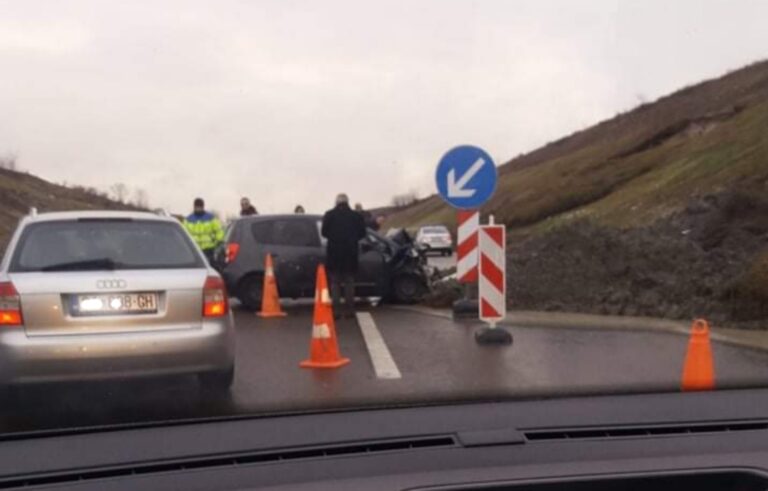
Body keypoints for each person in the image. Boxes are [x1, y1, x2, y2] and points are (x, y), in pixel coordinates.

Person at [321, 194, 366, 319]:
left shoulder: (329, 215)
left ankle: (336, 311)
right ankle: (350, 311)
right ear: (348, 202)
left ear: (336, 202)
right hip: (351, 253)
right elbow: (362, 233)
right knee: (349, 282)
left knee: (335, 283)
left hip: (334, 253)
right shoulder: (356, 216)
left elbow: (324, 232)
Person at [185, 198, 225, 263]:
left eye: (200, 207)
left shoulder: (211, 218)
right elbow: (184, 234)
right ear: (194, 207)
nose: (198, 208)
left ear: (203, 207)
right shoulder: (188, 220)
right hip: (193, 249)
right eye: (197, 207)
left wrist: (218, 242)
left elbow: (219, 231)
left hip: (209, 249)